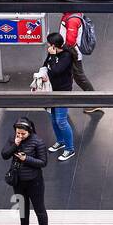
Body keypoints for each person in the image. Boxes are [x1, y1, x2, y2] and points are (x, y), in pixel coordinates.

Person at [2, 117, 48, 225]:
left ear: (30, 131)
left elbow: (43, 162)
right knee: (22, 208)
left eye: (23, 134)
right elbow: (4, 154)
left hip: (34, 181)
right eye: (18, 133)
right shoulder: (13, 139)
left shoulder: (38, 142)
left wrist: (26, 159)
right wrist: (15, 145)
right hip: (18, 181)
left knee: (39, 209)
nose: (20, 136)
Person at [40, 31, 78, 161]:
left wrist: (52, 56)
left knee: (61, 121)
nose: (47, 47)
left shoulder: (66, 56)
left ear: (54, 46)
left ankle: (69, 148)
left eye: (48, 44)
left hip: (63, 91)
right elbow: (45, 66)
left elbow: (56, 70)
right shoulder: (52, 54)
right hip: (51, 89)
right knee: (53, 118)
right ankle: (60, 141)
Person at [59, 7, 104, 115]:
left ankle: (95, 102)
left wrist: (60, 49)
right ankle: (63, 99)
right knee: (67, 75)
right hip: (69, 52)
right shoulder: (73, 14)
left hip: (71, 53)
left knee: (79, 77)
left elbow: (70, 41)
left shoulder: (72, 19)